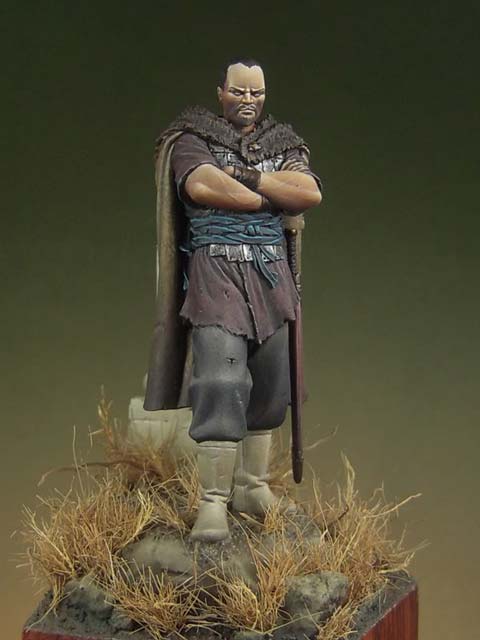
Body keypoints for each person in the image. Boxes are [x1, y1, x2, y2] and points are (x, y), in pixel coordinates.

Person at [144, 58, 322, 542]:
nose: (248, 101)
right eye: (239, 92)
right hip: (217, 272)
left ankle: (251, 486)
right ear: (221, 91)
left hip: (271, 277)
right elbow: (202, 184)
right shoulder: (192, 137)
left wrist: (248, 179)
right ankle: (212, 502)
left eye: (256, 93)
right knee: (220, 381)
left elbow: (307, 192)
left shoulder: (283, 143)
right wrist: (270, 199)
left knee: (269, 383)